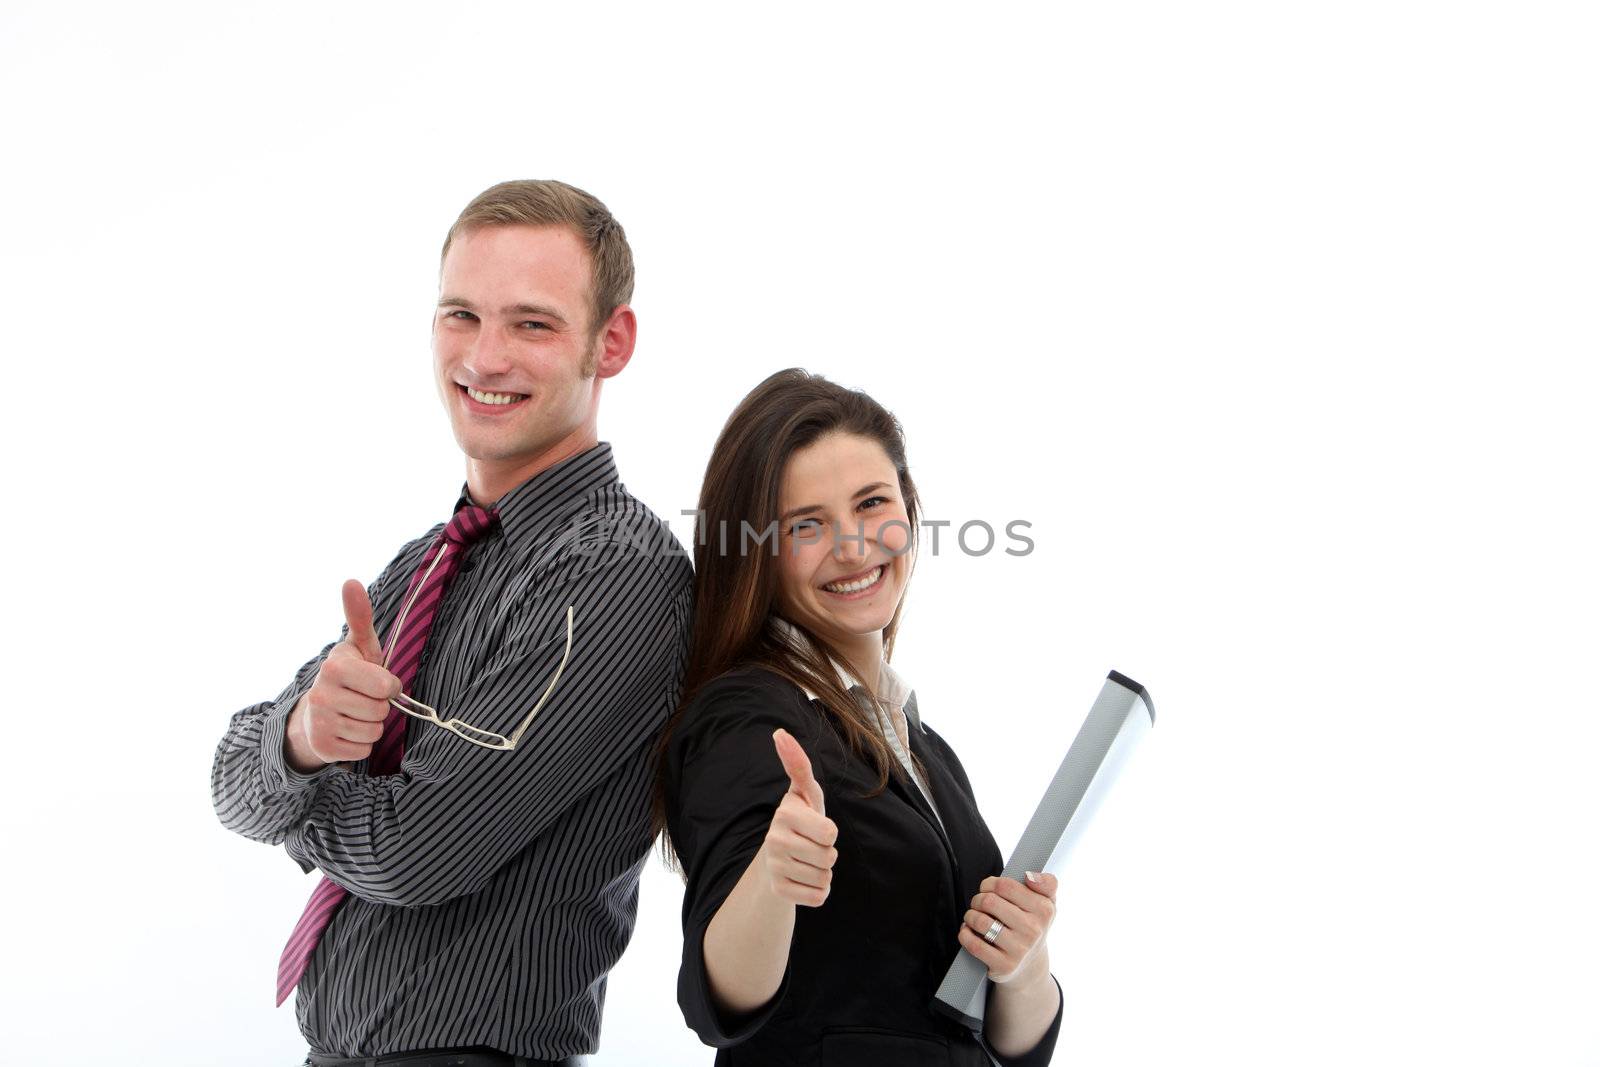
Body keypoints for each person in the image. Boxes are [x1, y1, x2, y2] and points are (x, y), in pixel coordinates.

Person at [211, 179, 692, 1067]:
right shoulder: (427, 561)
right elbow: (228, 779)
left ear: (610, 342)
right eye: (461, 315)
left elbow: (414, 853)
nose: (485, 356)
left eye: (533, 324)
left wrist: (297, 796)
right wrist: (305, 735)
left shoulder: (620, 572)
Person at [656, 369, 1064, 1066]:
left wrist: (1022, 965)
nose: (852, 546)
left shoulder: (923, 747)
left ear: (909, 507)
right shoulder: (750, 717)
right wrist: (771, 878)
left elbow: (1004, 1046)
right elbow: (718, 995)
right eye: (806, 524)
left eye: (872, 503)